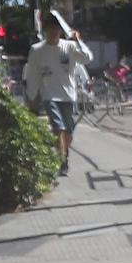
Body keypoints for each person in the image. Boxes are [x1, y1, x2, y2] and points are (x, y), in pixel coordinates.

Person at [22, 12, 93, 176]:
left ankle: (64, 154)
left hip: (68, 96)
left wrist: (78, 40)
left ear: (61, 31)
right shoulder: (37, 50)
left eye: (56, 30)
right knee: (58, 128)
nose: (53, 33)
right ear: (45, 31)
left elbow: (88, 58)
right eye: (50, 30)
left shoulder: (69, 47)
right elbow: (33, 74)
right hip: (49, 95)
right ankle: (62, 162)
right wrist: (32, 97)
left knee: (68, 132)